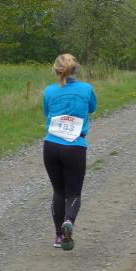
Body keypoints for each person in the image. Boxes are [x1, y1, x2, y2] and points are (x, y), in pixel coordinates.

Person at [42, 54, 97, 250]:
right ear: (76, 69)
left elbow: (47, 112)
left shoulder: (49, 91)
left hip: (51, 145)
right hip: (75, 146)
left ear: (56, 70)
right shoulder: (86, 89)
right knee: (73, 192)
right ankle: (69, 221)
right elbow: (92, 108)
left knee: (58, 191)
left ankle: (58, 236)